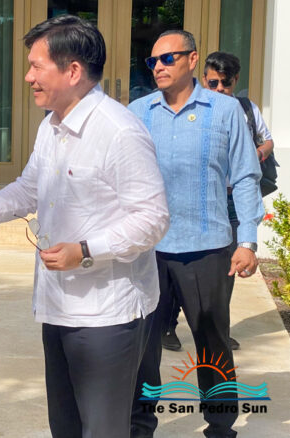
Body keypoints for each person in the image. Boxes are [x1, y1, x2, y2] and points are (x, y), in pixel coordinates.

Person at [0, 15, 169, 438]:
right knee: (65, 426)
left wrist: (85, 250)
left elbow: (152, 218)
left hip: (107, 314)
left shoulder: (119, 132)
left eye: (36, 66)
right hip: (59, 306)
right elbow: (29, 189)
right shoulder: (51, 127)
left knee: (103, 429)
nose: (28, 77)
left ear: (73, 71)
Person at [129, 31, 264, 438]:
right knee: (142, 348)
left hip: (206, 249)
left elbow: (246, 176)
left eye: (168, 58)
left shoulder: (225, 110)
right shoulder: (137, 112)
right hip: (148, 252)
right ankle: (138, 427)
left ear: (192, 59)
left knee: (213, 344)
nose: (158, 67)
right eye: (152, 61)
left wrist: (247, 240)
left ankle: (220, 427)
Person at [161, 51, 275, 352]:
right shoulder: (192, 110)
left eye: (226, 83)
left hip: (233, 200)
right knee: (181, 262)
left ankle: (217, 328)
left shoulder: (245, 109)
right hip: (198, 198)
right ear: (203, 78)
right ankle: (167, 325)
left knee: (225, 268)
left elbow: (267, 140)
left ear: (235, 81)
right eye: (213, 83)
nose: (220, 89)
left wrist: (256, 153)